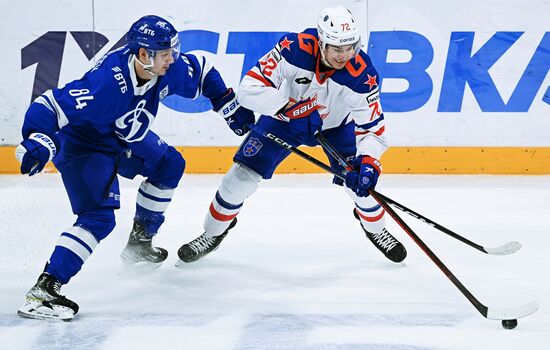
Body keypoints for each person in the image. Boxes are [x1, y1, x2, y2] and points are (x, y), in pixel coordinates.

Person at [15, 15, 255, 321]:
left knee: (169, 164)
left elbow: (203, 70)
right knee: (98, 218)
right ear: (144, 55)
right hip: (85, 147)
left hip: (122, 138)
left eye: (172, 51)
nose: (173, 59)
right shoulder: (106, 86)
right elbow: (49, 105)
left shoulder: (161, 65)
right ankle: (43, 291)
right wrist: (37, 138)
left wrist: (227, 104)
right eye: (166, 54)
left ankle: (140, 243)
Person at [177, 5, 407, 266]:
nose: (345, 55)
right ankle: (212, 234)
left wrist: (369, 162)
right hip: (284, 121)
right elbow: (249, 88)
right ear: (322, 43)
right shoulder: (294, 48)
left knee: (363, 189)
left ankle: (377, 231)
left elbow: (372, 129)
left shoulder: (363, 75)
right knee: (239, 179)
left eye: (350, 47)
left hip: (337, 128)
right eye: (337, 48)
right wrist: (288, 108)